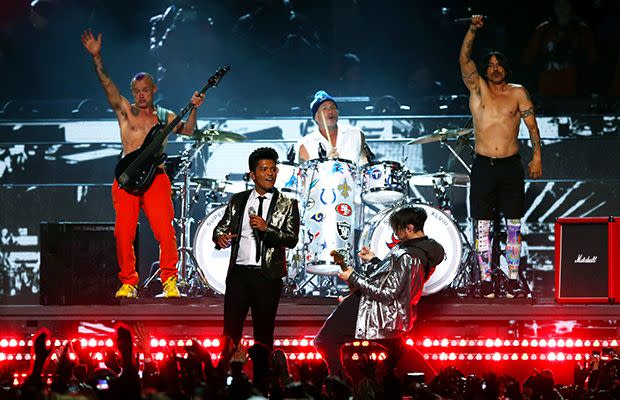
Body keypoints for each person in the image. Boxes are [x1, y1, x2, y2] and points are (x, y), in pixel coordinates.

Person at [81, 29, 205, 299]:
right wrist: (97, 56)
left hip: (156, 179)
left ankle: (170, 280)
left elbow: (188, 131)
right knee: (123, 234)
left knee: (165, 232)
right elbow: (106, 83)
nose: (140, 95)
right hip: (127, 177)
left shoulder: (165, 115)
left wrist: (194, 107)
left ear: (153, 90)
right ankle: (128, 282)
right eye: (136, 91)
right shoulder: (125, 111)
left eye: (145, 90)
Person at [459, 15, 542, 298]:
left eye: (499, 64)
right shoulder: (477, 89)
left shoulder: (518, 93)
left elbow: (532, 125)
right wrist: (472, 29)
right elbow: (465, 60)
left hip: (510, 166)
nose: (495, 69)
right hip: (483, 166)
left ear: (506, 67)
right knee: (482, 225)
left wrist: (537, 157)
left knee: (513, 224)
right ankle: (485, 280)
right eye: (490, 65)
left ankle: (513, 278)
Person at [313, 206, 445, 378]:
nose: (395, 234)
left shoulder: (408, 255)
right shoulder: (422, 251)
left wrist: (353, 277)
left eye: (397, 229)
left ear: (409, 228)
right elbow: (395, 279)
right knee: (398, 350)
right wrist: (375, 261)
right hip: (393, 314)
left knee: (324, 340)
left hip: (375, 310)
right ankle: (432, 381)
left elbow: (387, 292)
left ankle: (341, 387)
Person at [212, 147, 300, 393]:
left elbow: (291, 238)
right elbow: (221, 228)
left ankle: (262, 387)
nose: (270, 173)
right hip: (239, 274)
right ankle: (222, 386)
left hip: (267, 277)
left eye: (273, 169)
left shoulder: (287, 203)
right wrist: (219, 237)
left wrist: (266, 228)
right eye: (264, 169)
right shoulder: (238, 201)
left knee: (263, 336)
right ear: (252, 174)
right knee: (230, 333)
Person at [297, 90, 370, 164]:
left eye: (333, 107)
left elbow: (368, 165)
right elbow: (304, 174)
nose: (330, 112)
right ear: (316, 117)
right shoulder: (305, 145)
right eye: (324, 109)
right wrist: (326, 164)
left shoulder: (356, 135)